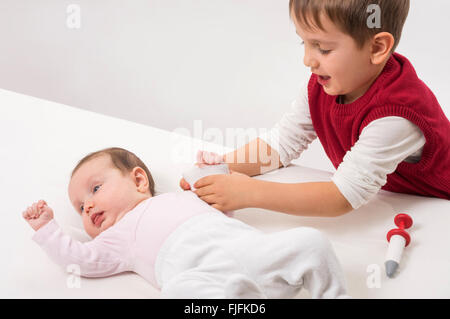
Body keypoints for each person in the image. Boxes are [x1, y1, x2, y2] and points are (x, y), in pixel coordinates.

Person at [180, 0, 450, 217]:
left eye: (322, 48)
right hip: (396, 201)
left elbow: (343, 196)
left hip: (437, 208)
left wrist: (249, 193)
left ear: (377, 47)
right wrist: (222, 172)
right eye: (304, 42)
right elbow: (281, 144)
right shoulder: (322, 85)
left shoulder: (397, 114)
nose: (308, 59)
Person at [22, 147, 349, 299]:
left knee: (311, 241)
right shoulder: (113, 239)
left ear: (138, 180)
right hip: (205, 278)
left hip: (251, 250)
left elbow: (223, 205)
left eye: (94, 189)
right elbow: (79, 260)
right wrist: (47, 229)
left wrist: (212, 168)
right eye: (79, 207)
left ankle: (333, 294)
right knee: (178, 292)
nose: (87, 205)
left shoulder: (183, 196)